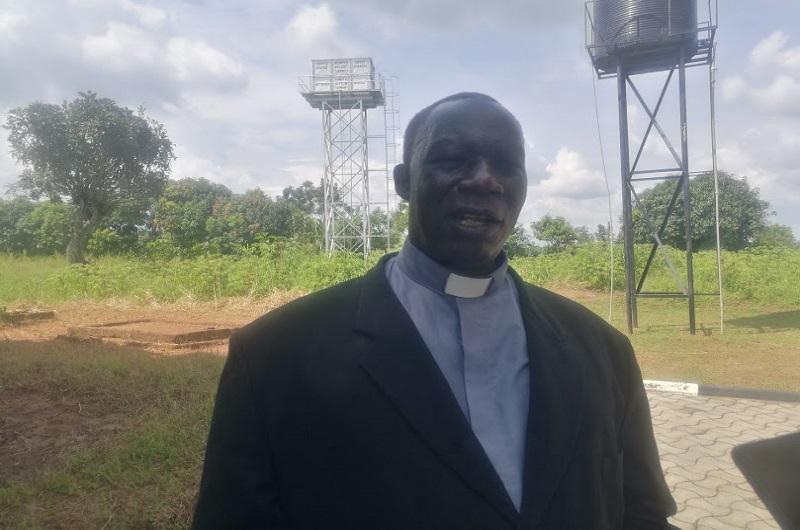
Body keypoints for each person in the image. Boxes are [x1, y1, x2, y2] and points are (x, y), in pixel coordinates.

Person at [192, 93, 678, 529]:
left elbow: (641, 512)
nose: (485, 179)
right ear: (405, 182)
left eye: (506, 164)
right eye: (453, 159)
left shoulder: (601, 349)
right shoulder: (276, 355)